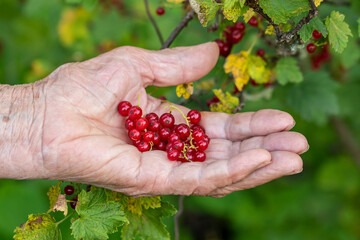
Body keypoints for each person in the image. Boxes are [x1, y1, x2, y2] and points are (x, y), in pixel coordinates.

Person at [0, 42, 308, 197]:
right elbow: (163, 135)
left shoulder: (170, 132)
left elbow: (173, 136)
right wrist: (34, 121)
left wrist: (34, 119)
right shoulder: (143, 123)